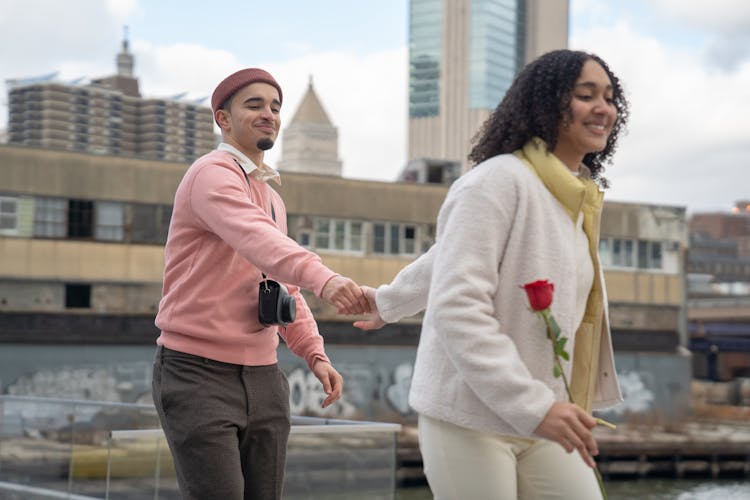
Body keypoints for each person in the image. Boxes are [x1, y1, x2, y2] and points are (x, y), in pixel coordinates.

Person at [355, 50, 629, 499]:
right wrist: (537, 407)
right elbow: (458, 303)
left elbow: (447, 256)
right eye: (586, 95)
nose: (604, 108)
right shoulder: (496, 182)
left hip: (542, 413)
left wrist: (388, 302)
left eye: (610, 97)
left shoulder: (572, 196)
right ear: (547, 103)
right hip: (470, 417)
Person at [152, 67, 370, 500]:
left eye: (274, 106)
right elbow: (261, 242)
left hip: (265, 377)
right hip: (198, 374)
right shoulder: (211, 175)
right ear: (223, 119)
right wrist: (326, 278)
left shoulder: (271, 197)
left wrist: (314, 352)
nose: (268, 113)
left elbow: (283, 286)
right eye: (254, 104)